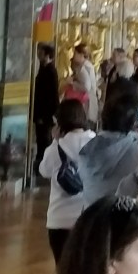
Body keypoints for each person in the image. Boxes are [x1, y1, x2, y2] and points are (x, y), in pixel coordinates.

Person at [38, 98, 96, 263]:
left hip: (59, 219)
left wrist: (54, 141)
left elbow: (44, 171)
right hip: (88, 218)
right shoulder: (96, 142)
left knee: (63, 268)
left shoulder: (57, 147)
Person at [79, 82, 138, 203]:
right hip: (122, 212)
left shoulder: (87, 149)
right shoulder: (137, 149)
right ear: (133, 122)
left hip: (90, 211)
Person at [34, 43, 59, 174]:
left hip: (45, 114)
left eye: (41, 53)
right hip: (41, 112)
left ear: (47, 55)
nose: (38, 55)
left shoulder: (50, 71)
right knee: (40, 140)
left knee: (44, 140)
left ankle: (44, 166)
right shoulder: (43, 69)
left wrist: (44, 115)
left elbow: (50, 96)